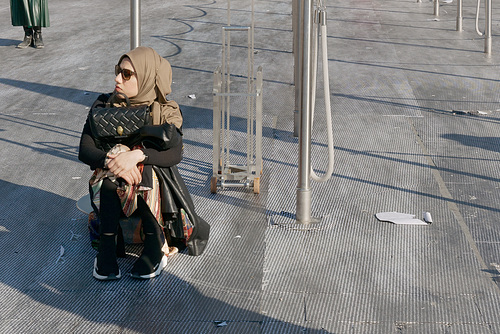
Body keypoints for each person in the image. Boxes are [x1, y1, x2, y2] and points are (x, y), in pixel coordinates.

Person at [79, 47, 209, 281]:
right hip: (112, 183)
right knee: (111, 178)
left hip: (152, 188)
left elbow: (174, 154)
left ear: (147, 77)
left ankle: (153, 245)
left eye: (127, 74)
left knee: (146, 170)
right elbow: (85, 149)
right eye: (118, 71)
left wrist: (137, 156)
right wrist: (114, 160)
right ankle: (106, 250)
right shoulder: (104, 105)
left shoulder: (165, 112)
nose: (118, 78)